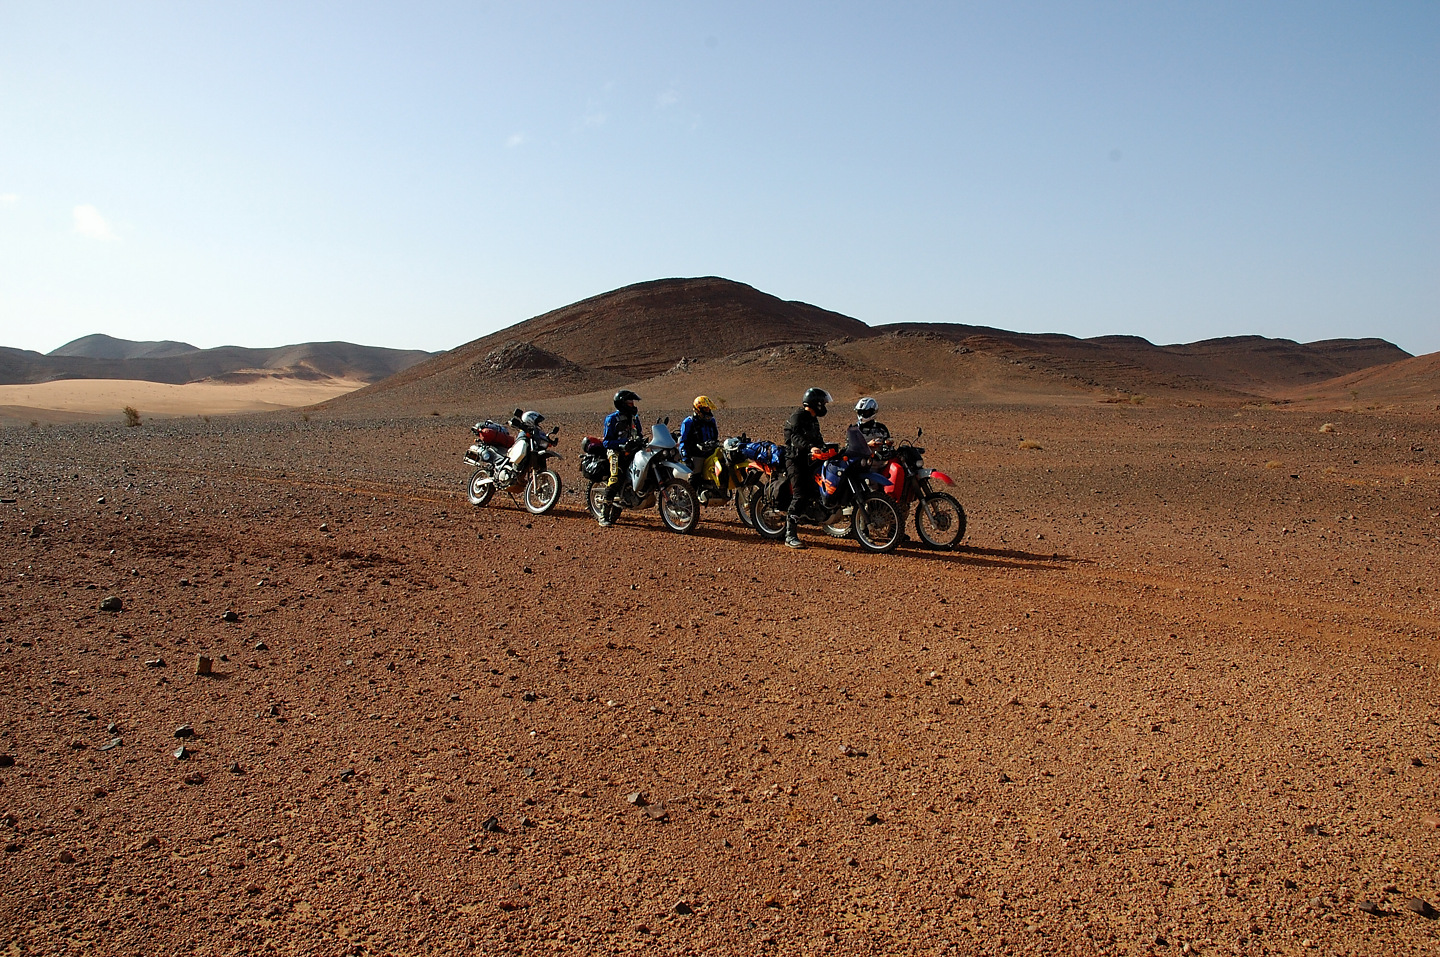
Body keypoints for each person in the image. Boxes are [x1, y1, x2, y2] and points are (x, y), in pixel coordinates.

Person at [782, 387, 831, 548]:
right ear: (816, 403)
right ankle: (789, 535)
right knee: (800, 494)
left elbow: (818, 439)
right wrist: (810, 447)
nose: (824, 406)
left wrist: (825, 448)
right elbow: (794, 438)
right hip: (795, 460)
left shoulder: (813, 419)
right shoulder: (797, 417)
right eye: (823, 403)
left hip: (810, 460)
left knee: (818, 487)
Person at [599, 390, 641, 526]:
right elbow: (606, 442)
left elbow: (639, 434)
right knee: (616, 476)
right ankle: (603, 515)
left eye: (633, 403)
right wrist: (623, 443)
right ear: (622, 404)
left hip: (631, 451)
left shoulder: (634, 418)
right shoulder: (612, 419)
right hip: (615, 452)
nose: (633, 405)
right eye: (630, 403)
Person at [678, 395, 720, 473]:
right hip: (697, 454)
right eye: (705, 409)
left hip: (712, 452)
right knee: (696, 472)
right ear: (698, 409)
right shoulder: (689, 422)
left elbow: (715, 435)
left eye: (708, 409)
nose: (708, 411)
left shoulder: (711, 421)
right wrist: (686, 459)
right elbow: (683, 441)